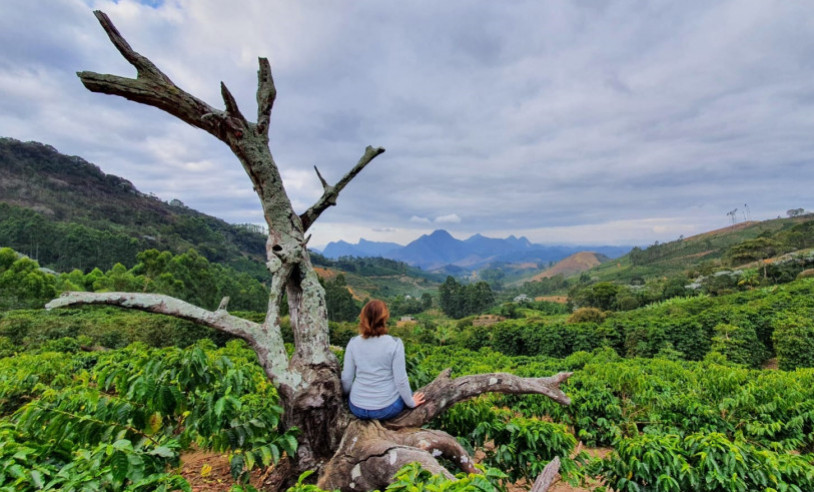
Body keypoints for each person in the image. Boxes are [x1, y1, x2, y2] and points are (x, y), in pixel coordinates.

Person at [341, 299, 426, 420]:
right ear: (385, 318)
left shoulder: (353, 342)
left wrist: (346, 396)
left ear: (363, 317)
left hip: (357, 408)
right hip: (385, 409)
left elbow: (347, 378)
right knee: (406, 392)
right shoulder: (395, 343)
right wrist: (411, 402)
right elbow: (401, 380)